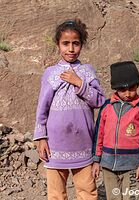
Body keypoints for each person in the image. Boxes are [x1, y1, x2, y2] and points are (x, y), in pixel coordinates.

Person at [33, 19, 106, 200]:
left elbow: (100, 101)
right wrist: (41, 138)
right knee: (56, 194)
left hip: (83, 143)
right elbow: (42, 107)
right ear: (58, 44)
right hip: (56, 145)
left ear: (82, 45)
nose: (71, 49)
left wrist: (79, 83)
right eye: (66, 43)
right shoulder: (50, 73)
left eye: (76, 43)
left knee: (87, 192)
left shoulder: (88, 72)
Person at [92, 61, 139, 200]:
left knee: (132, 197)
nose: (128, 93)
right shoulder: (107, 106)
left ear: (138, 86)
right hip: (107, 164)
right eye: (123, 90)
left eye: (132, 88)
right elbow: (98, 134)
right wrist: (96, 160)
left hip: (132, 165)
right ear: (115, 88)